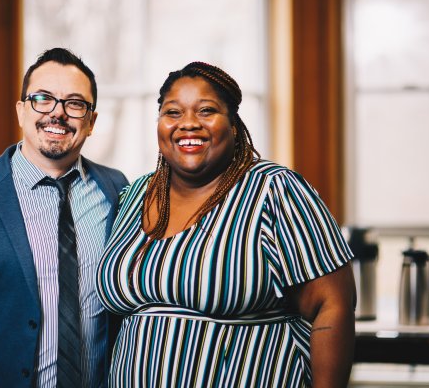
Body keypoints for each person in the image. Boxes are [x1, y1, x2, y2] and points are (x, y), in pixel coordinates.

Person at [96, 61, 356, 387]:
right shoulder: (134, 194)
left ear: (233, 124)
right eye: (172, 112)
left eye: (206, 111)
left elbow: (333, 306)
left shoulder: (274, 190)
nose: (188, 124)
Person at [0, 47, 128, 388]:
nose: (57, 114)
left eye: (75, 103)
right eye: (43, 98)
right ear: (21, 111)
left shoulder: (116, 189)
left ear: (91, 122)